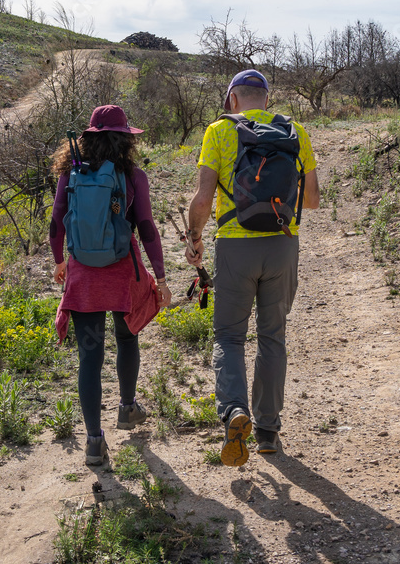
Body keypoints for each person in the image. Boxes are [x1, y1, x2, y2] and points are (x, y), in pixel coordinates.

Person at [185, 70, 320, 467]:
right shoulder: (296, 132)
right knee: (272, 337)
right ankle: (267, 431)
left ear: (231, 101)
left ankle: (233, 411)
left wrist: (194, 237)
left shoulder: (219, 132)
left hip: (234, 247)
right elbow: (311, 201)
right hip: (282, 245)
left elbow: (203, 197)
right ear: (266, 99)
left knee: (228, 336)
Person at [50, 105, 172, 465]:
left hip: (84, 273)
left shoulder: (70, 173)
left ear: (88, 138)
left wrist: (60, 261)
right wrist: (161, 277)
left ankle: (93, 441)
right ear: (124, 139)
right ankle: (127, 407)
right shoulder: (133, 176)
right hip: (122, 273)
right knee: (126, 337)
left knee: (89, 357)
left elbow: (57, 222)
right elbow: (147, 228)